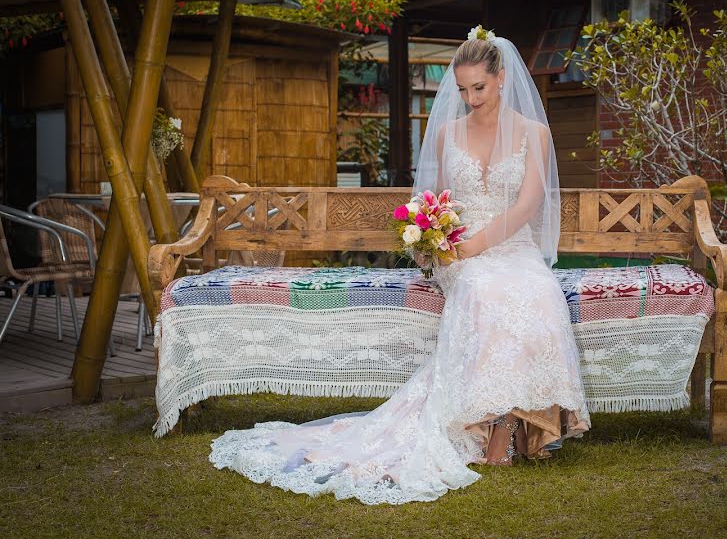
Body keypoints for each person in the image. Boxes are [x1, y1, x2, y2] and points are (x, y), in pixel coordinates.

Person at [209, 26, 590, 505]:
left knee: (535, 292)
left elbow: (529, 203)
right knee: (486, 292)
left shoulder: (533, 133)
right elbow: (434, 202)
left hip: (512, 249)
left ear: (502, 78)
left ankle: (507, 423)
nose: (472, 99)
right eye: (463, 90)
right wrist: (436, 240)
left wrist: (479, 244)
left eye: (480, 88)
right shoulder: (449, 133)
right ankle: (502, 429)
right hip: (459, 256)